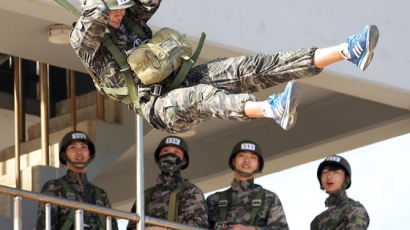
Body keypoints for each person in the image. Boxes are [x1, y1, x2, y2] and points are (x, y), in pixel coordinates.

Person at [70, 0, 379, 134]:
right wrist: (99, 6)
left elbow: (147, 3)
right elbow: (93, 19)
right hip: (157, 106)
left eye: (121, 9)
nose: (118, 15)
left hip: (180, 77)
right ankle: (271, 109)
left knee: (248, 67)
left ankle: (346, 50)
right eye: (113, 10)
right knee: (203, 96)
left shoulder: (129, 17)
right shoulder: (86, 43)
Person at [36, 131, 118, 230]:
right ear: (64, 155)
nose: (79, 152)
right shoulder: (54, 187)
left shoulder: (100, 195)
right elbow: (44, 226)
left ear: (89, 154)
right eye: (73, 147)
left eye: (83, 147)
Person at [127, 136, 208, 229]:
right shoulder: (145, 196)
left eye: (176, 152)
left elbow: (198, 225)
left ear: (184, 160)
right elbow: (132, 227)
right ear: (158, 157)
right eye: (165, 151)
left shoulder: (191, 191)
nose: (170, 155)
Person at [207, 140, 288, 230]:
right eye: (241, 156)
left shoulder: (269, 198)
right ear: (233, 161)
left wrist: (252, 229)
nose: (247, 161)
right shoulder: (214, 200)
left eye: (253, 157)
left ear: (258, 164)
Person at [311, 155, 369, 229]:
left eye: (336, 172)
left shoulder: (353, 208)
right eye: (325, 172)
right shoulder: (317, 221)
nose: (329, 177)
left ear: (346, 178)